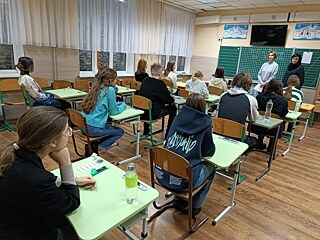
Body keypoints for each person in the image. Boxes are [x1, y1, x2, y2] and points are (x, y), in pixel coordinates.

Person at [0, 106, 96, 240]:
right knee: (80, 226)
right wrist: (65, 163)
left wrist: (72, 179)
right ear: (51, 142)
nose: (70, 134)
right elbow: (70, 203)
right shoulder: (36, 179)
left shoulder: (15, 154)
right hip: (24, 233)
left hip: (9, 222)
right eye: (67, 131)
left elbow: (28, 184)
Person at [156, 93, 215, 216]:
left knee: (179, 163)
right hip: (183, 183)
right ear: (203, 106)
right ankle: (195, 207)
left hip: (161, 174)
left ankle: (178, 200)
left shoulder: (178, 117)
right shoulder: (206, 122)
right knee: (211, 168)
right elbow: (208, 152)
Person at [81, 66, 127, 152]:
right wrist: (123, 105)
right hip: (93, 128)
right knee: (119, 131)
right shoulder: (110, 90)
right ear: (111, 80)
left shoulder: (96, 87)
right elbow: (113, 111)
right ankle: (96, 147)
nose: (116, 81)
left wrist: (118, 104)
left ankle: (94, 145)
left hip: (84, 125)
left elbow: (103, 103)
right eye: (115, 79)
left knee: (109, 127)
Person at [218, 72, 259, 149]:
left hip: (219, 135)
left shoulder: (223, 95)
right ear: (249, 85)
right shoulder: (251, 99)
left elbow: (218, 115)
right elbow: (253, 119)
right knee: (255, 141)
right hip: (237, 139)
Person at [139, 63, 177, 138]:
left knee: (148, 103)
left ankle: (146, 130)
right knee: (173, 108)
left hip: (141, 113)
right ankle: (168, 135)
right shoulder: (160, 84)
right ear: (159, 74)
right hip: (153, 114)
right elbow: (170, 100)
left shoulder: (145, 80)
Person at [251, 79, 288, 153]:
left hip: (257, 126)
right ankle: (271, 146)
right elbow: (284, 113)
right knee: (278, 121)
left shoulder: (259, 97)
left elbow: (255, 109)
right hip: (274, 130)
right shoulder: (282, 100)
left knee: (262, 119)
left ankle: (259, 142)